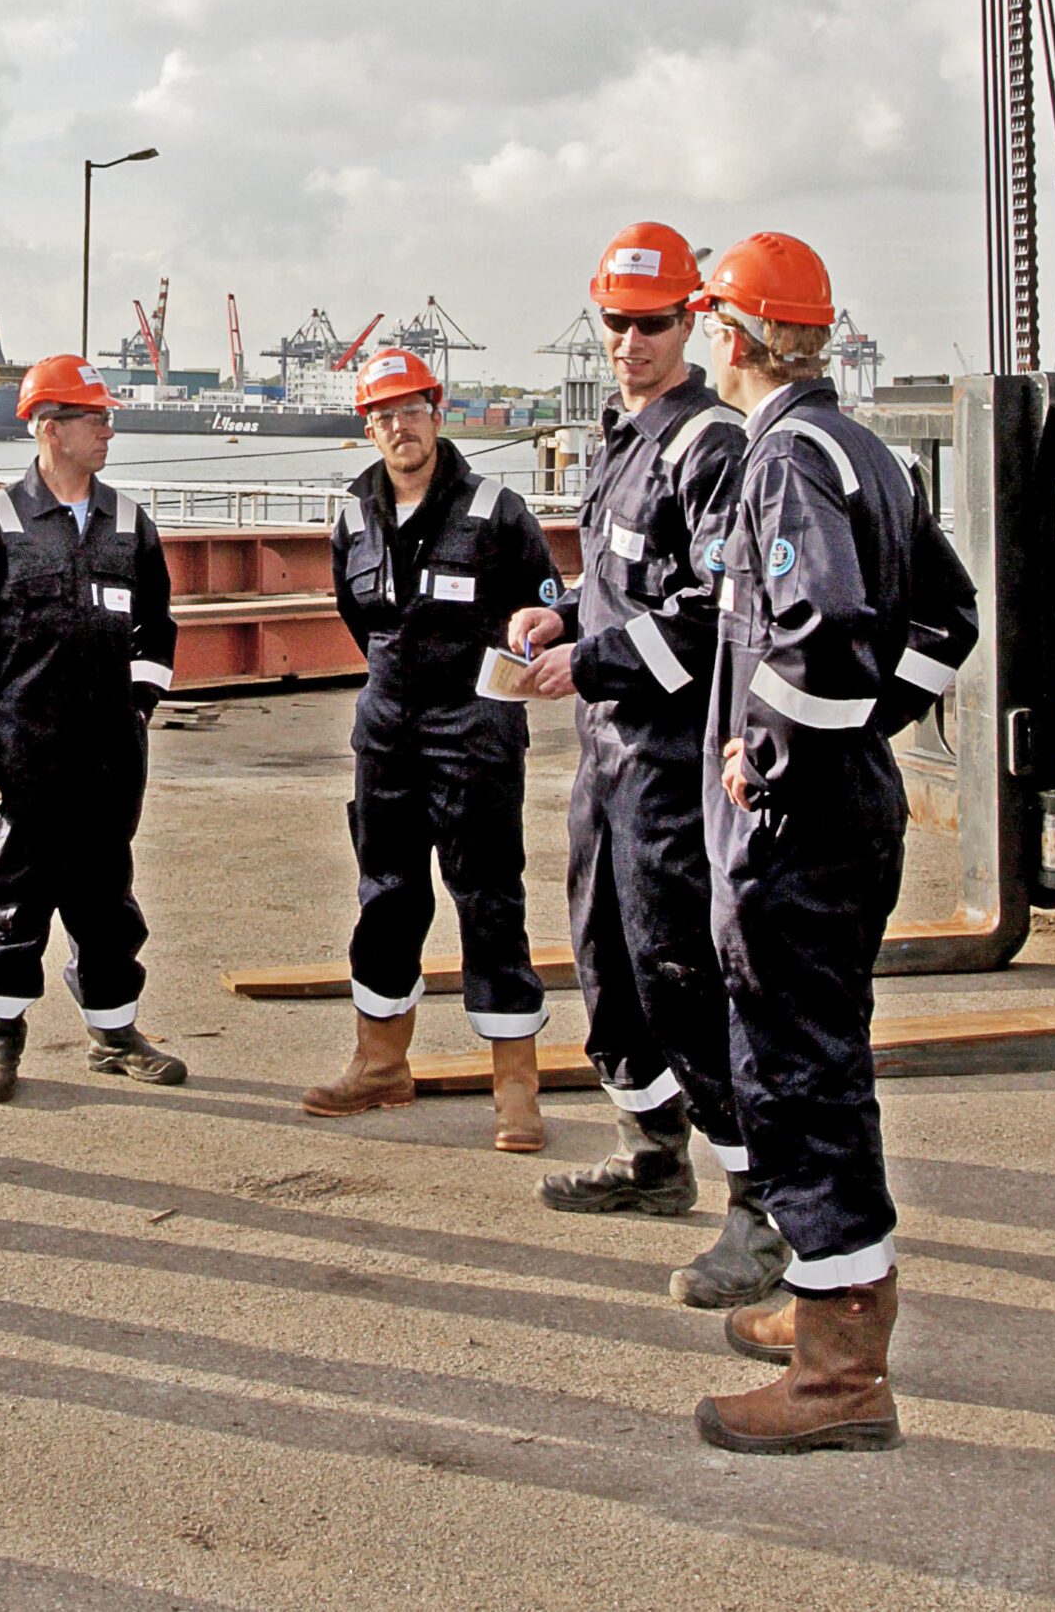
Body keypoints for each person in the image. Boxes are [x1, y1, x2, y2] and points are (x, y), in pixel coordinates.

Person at [688, 233, 977, 1454]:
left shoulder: (783, 462)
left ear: (738, 339)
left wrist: (776, 759)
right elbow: (946, 620)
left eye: (710, 324)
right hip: (850, 804)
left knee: (799, 1081)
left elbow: (822, 632)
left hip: (797, 830)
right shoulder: (865, 449)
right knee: (820, 1061)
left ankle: (842, 1371)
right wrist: (866, 729)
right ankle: (824, 1303)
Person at [511, 224, 773, 1306]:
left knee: (681, 968)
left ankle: (760, 1203)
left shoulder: (709, 447)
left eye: (652, 322)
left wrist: (595, 655)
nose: (628, 341)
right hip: (605, 757)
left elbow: (713, 617)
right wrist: (560, 613)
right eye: (615, 321)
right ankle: (652, 1150)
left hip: (668, 760)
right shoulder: (624, 441)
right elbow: (625, 588)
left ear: (694, 324)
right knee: (606, 961)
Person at [306, 346, 560, 1148]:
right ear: (368, 428)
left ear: (436, 411)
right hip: (387, 729)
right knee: (386, 895)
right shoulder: (352, 516)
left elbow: (544, 606)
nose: (397, 426)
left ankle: (516, 1086)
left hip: (474, 730)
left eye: (410, 409)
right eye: (381, 415)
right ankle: (380, 1065)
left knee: (489, 898)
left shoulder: (496, 509)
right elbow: (363, 622)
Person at [0, 354, 185, 1102]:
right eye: (94, 418)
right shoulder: (0, 522)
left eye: (106, 417)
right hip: (18, 753)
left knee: (106, 893)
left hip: (109, 754)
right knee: (13, 894)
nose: (108, 430)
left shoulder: (129, 523)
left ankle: (114, 1035)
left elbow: (157, 630)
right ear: (49, 428)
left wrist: (135, 708)